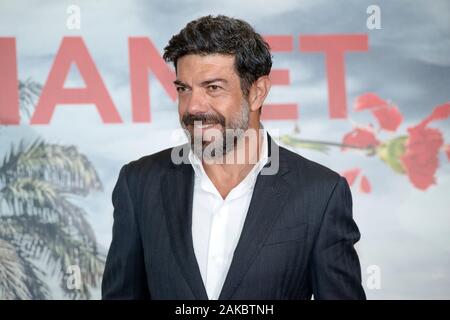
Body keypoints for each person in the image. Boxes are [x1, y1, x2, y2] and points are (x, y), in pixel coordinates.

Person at [101, 15, 366, 300]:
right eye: (183, 89)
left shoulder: (320, 193)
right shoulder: (139, 183)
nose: (193, 107)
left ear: (257, 93)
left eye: (213, 88)